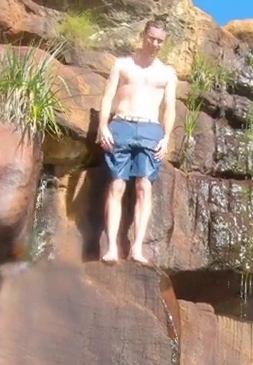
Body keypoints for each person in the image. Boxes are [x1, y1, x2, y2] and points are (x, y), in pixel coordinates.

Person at [96, 18, 177, 265]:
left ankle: (137, 248)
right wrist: (102, 126)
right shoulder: (123, 65)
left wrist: (166, 137)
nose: (155, 44)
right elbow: (107, 97)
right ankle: (111, 248)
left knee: (144, 186)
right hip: (121, 125)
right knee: (117, 186)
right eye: (152, 38)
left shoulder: (167, 73)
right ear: (143, 35)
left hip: (150, 129)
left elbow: (170, 109)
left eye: (160, 41)